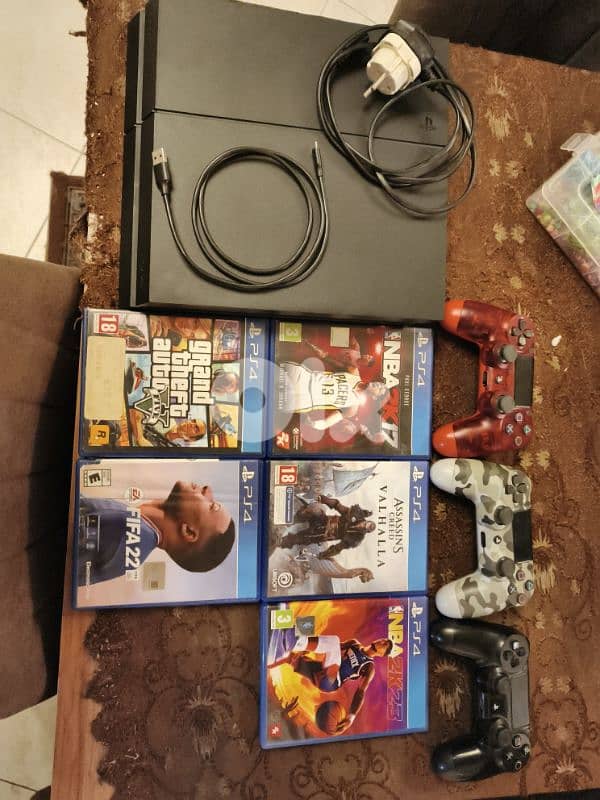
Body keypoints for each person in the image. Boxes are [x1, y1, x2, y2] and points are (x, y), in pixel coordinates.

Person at [78, 481, 235, 585]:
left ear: (188, 531)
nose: (208, 489)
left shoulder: (132, 534)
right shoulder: (138, 534)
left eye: (212, 506)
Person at [268, 633, 400, 734]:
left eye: (385, 645)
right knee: (293, 659)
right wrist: (307, 647)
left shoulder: (369, 666)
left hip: (332, 682)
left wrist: (351, 717)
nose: (382, 642)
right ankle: (269, 662)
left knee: (333, 642)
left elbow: (360, 692)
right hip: (322, 670)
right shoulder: (354, 644)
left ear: (382, 654)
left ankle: (295, 642)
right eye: (383, 640)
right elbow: (325, 646)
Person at [278, 361, 387, 444]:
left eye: (381, 389)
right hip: (302, 376)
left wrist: (312, 423)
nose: (379, 385)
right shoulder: (354, 372)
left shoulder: (352, 408)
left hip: (303, 399)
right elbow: (328, 358)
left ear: (374, 397)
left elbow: (326, 423)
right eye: (381, 384)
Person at [278, 494, 376, 559]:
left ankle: (280, 542)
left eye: (364, 527)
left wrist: (324, 555)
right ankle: (289, 521)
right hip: (324, 519)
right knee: (314, 510)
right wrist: (325, 500)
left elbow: (337, 548)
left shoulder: (356, 539)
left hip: (323, 533)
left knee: (299, 539)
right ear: (365, 520)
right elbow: (337, 505)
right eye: (364, 523)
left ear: (365, 531)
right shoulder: (356, 515)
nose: (362, 525)